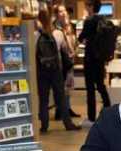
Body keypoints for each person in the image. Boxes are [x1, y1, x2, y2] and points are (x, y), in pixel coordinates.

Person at [36, 8, 81, 132]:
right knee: (60, 97)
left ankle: (44, 126)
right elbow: (66, 50)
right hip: (56, 70)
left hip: (42, 71)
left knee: (43, 99)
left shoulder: (36, 35)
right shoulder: (58, 33)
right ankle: (68, 124)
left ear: (39, 20)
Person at [78, 0, 111, 128]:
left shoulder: (89, 21)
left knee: (90, 88)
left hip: (90, 59)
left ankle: (91, 117)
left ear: (91, 7)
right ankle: (108, 110)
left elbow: (81, 37)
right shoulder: (103, 20)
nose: (86, 8)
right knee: (101, 86)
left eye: (87, 5)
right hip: (100, 59)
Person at [53, 4, 81, 120]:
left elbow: (75, 42)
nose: (63, 13)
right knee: (61, 87)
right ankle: (60, 110)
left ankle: (67, 108)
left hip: (69, 60)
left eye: (64, 11)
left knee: (68, 87)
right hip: (61, 62)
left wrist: (74, 50)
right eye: (60, 11)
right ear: (56, 15)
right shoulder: (56, 28)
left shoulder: (69, 26)